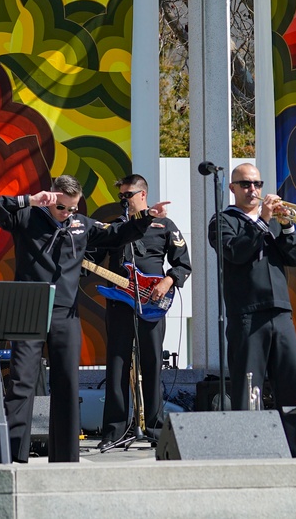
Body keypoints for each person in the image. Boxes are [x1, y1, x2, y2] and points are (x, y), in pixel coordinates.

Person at [0, 175, 169, 463]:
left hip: (65, 312)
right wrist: (28, 200)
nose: (67, 214)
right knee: (22, 382)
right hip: (28, 307)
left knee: (67, 382)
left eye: (72, 208)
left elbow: (118, 234)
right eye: (62, 208)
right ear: (51, 199)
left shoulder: (82, 225)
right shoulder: (28, 217)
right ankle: (12, 452)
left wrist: (145, 217)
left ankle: (65, 457)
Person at [207, 163, 296, 457]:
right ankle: (247, 448)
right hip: (247, 313)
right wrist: (262, 221)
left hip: (280, 311)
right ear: (233, 189)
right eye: (246, 184)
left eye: (257, 184)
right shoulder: (223, 220)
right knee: (247, 385)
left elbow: (294, 258)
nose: (253, 190)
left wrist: (287, 226)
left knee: (294, 382)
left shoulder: (275, 221)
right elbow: (235, 252)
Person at [87, 174, 191, 447]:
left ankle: (156, 429)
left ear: (142, 194)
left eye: (128, 195)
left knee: (152, 363)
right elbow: (92, 257)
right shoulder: (115, 228)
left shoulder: (165, 225)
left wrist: (168, 281)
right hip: (120, 302)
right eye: (120, 196)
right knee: (117, 364)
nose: (123, 200)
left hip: (153, 304)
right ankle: (114, 431)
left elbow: (183, 264)